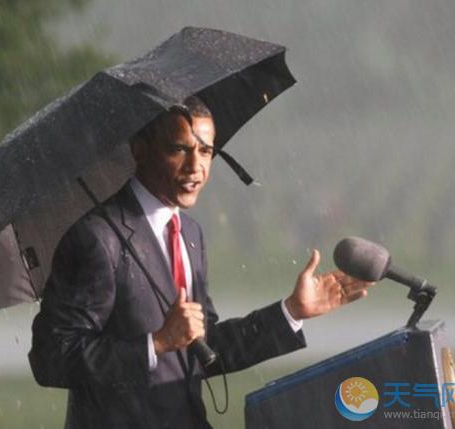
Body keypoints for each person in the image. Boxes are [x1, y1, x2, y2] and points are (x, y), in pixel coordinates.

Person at [29, 96, 372, 429]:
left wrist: (291, 311)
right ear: (139, 149)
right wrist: (157, 343)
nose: (197, 166)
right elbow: (51, 358)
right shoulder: (96, 238)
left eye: (206, 151)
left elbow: (205, 348)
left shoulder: (189, 233)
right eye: (179, 149)